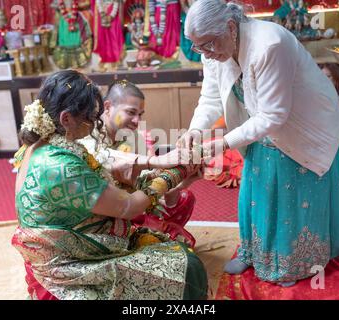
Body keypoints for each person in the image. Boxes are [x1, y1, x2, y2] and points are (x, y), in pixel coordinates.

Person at [179, 0, 339, 287]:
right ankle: (255, 252)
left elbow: (274, 115)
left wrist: (220, 144)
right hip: (259, 124)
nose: (205, 53)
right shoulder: (213, 47)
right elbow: (211, 98)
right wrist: (196, 129)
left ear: (230, 27)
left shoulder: (270, 44)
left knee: (292, 194)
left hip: (303, 123)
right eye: (197, 47)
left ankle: (294, 264)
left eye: (208, 45)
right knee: (257, 188)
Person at [12, 70, 207, 300]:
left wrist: (178, 176)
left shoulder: (44, 146)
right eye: (91, 117)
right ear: (66, 119)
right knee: (187, 268)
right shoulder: (60, 164)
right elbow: (130, 206)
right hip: (69, 260)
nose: (96, 123)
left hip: (86, 230)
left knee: (176, 238)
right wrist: (175, 172)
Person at [80, 79, 198, 246]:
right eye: (131, 112)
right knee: (181, 245)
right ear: (107, 107)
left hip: (134, 206)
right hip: (103, 215)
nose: (137, 121)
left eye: (140, 114)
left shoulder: (133, 136)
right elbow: (101, 157)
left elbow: (146, 183)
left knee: (185, 199)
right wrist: (156, 161)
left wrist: (185, 180)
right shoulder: (88, 132)